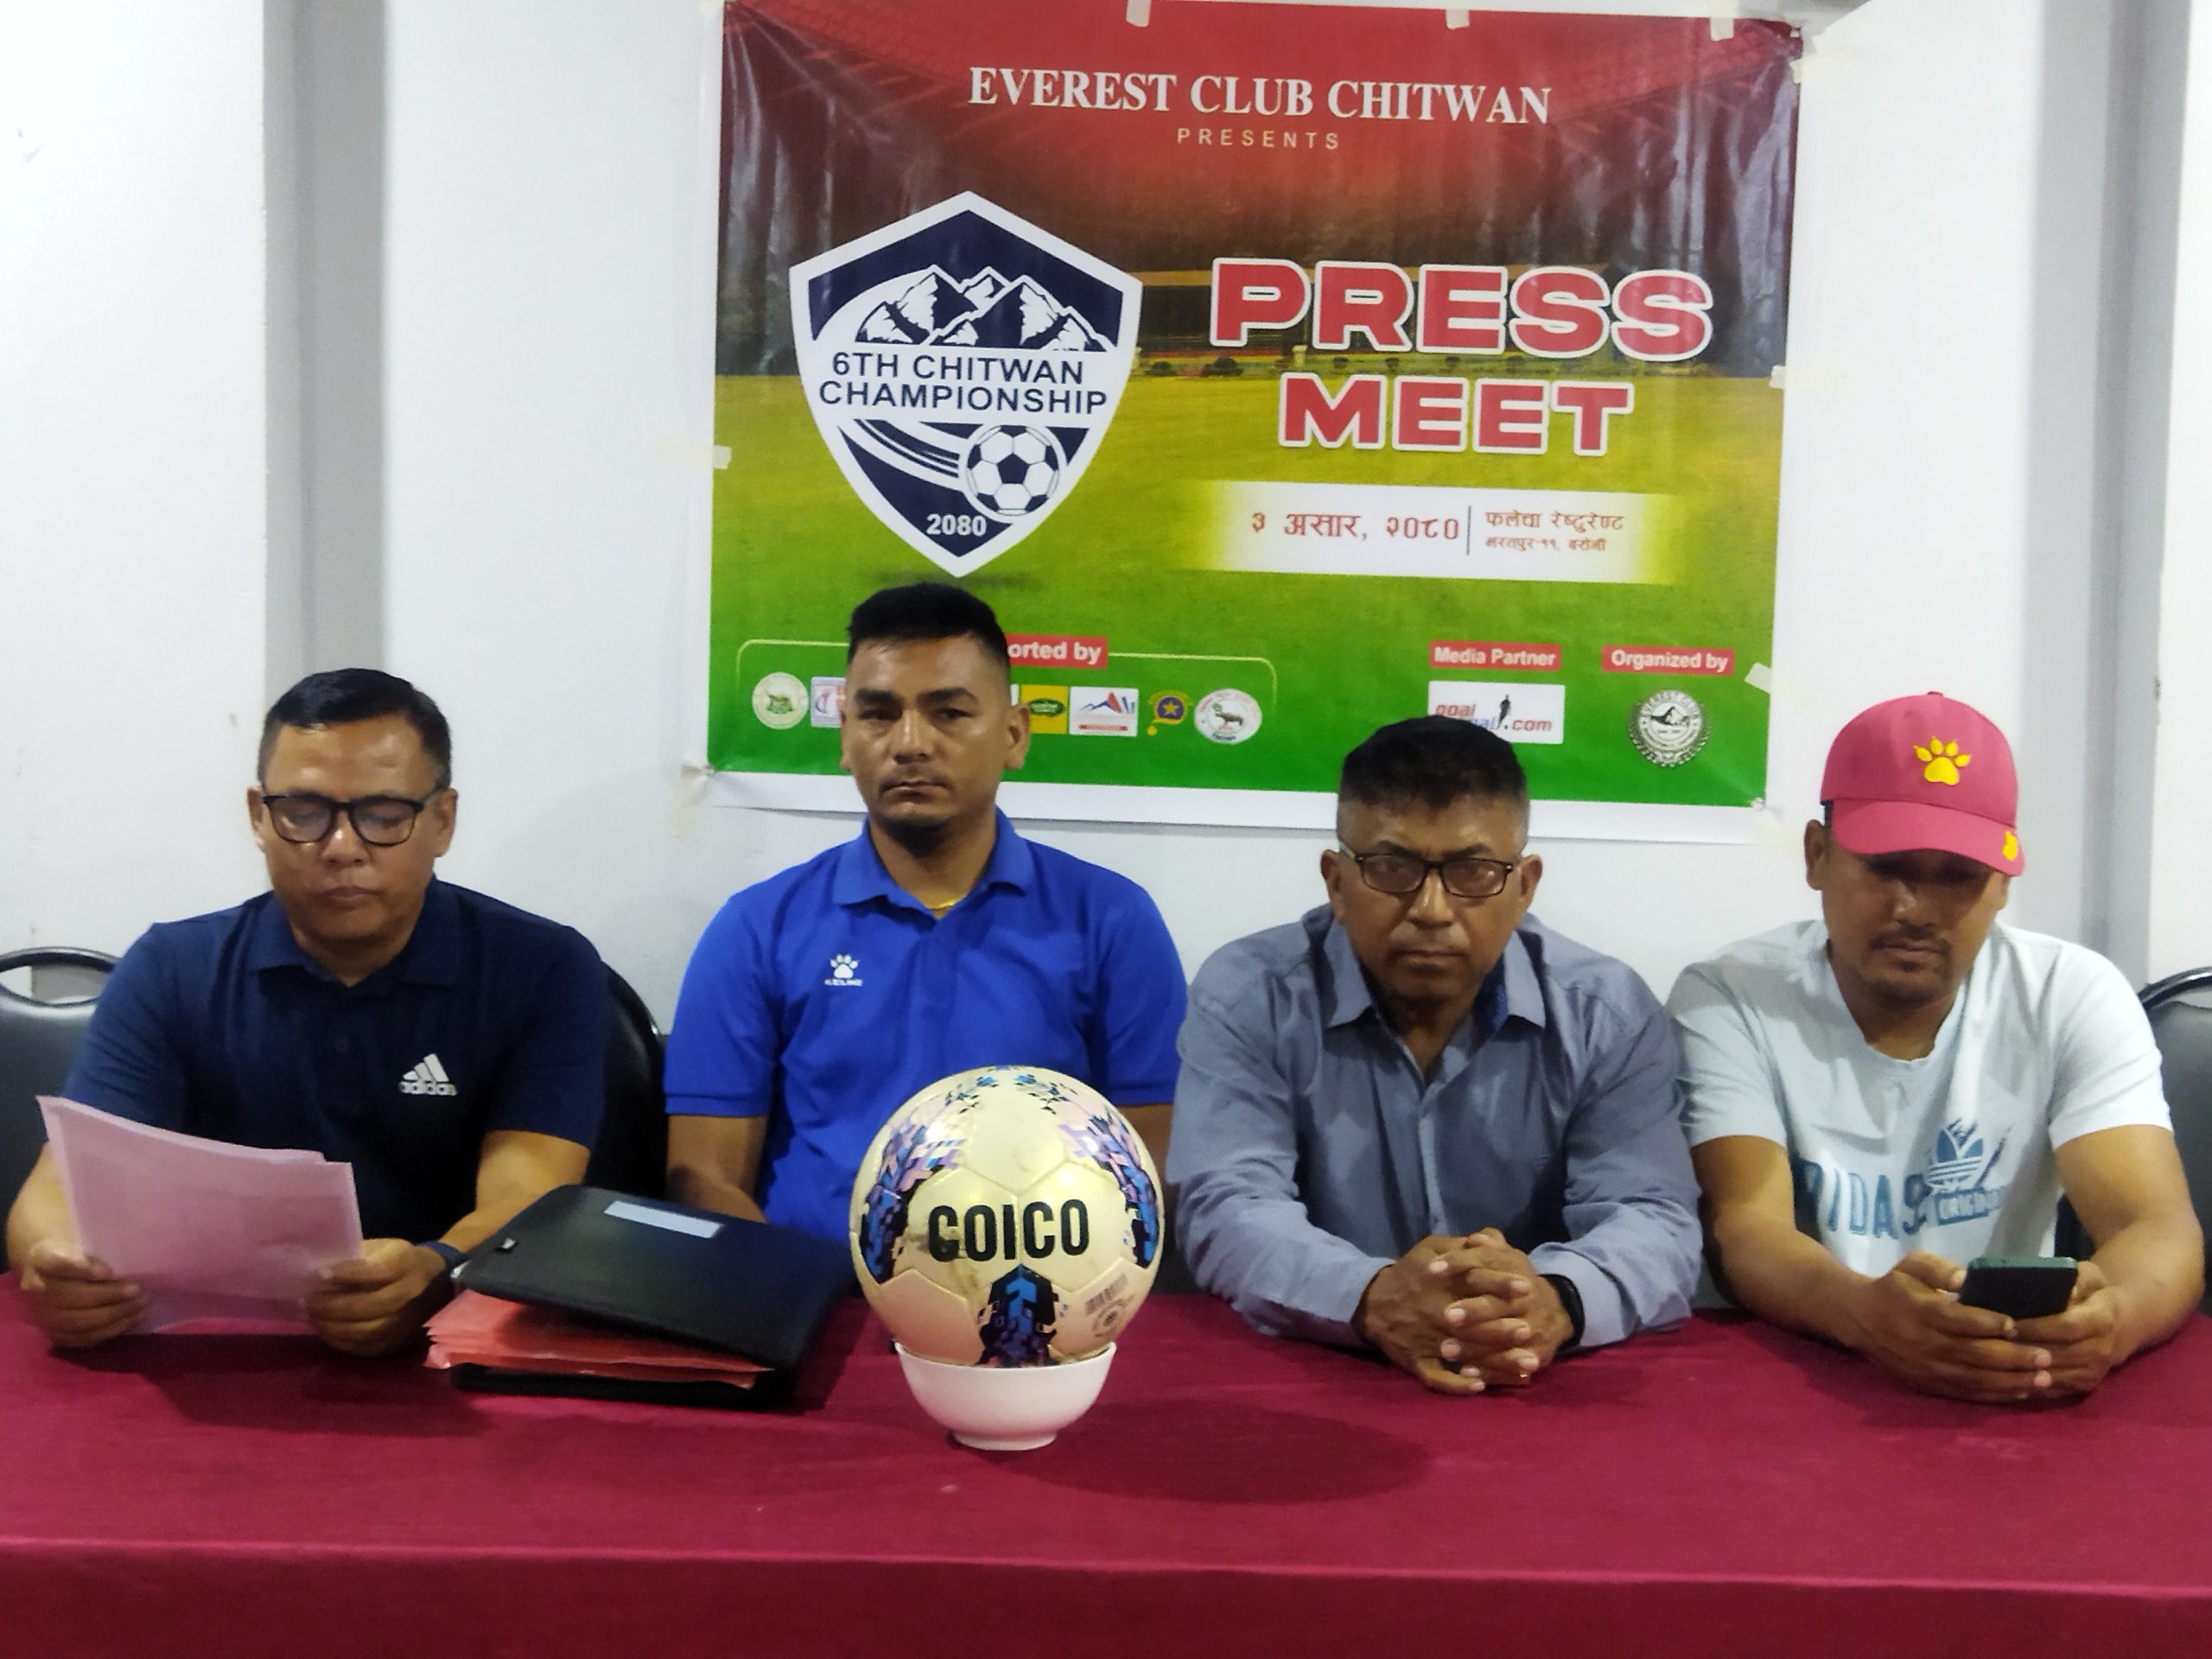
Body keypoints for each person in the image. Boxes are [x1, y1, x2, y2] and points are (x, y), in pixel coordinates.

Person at [5, 671, 605, 1355]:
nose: (342, 847)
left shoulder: (541, 968)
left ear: (442, 820)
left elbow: (530, 1195)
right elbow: (60, 1186)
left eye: (384, 814)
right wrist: (54, 1264)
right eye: (304, 812)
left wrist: (436, 1269)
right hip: (217, 1350)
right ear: (259, 817)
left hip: (451, 1349)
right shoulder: (173, 967)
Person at [1674, 691, 2202, 1402]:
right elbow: (1741, 1227)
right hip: (1795, 1379)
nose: (1914, 910)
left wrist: (2115, 1321)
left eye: (1958, 877)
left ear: (2003, 885)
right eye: (1886, 866)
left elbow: (2156, 1224)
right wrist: (1864, 1316)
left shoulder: (2070, 992)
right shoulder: (1730, 996)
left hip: (2009, 1374)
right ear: (1817, 855)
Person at [1171, 716, 1700, 1395]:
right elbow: (1225, 1204)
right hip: (1319, 1379)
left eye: (1472, 872)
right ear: (1336, 882)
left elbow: (1653, 1215)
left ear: (1525, 886)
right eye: (1392, 868)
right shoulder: (1252, 995)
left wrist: (1555, 1300)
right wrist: (1372, 1297)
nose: (1431, 909)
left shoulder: (1607, 1013)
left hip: (1528, 1381)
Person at [664, 583, 1185, 1240]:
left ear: (1014, 735)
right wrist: (788, 1287)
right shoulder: (756, 928)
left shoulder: (1112, 921)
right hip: (812, 1288)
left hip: (1035, 1290)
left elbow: (1151, 1164)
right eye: (879, 715)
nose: (910, 743)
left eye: (949, 714)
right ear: (845, 737)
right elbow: (702, 1177)